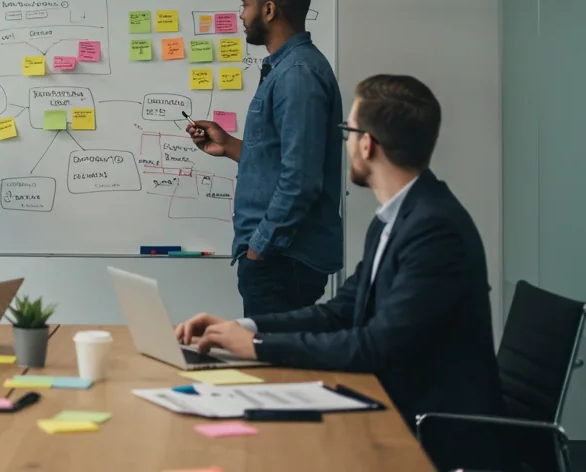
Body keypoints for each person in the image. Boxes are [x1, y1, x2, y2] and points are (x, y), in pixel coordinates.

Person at [176, 75, 503, 470]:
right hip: (396, 407)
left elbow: (376, 346)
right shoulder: (397, 218)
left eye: (347, 131)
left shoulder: (434, 230)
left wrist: (257, 349)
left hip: (428, 433)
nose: (345, 143)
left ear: (367, 144)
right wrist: (246, 329)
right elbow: (341, 312)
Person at [184, 0, 342, 316]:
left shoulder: (298, 74)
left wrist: (260, 248)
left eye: (245, 4)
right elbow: (283, 161)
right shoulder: (286, 69)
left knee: (276, 370)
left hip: (282, 261)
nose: (241, 15)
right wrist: (227, 145)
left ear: (269, 10)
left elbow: (301, 180)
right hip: (277, 259)